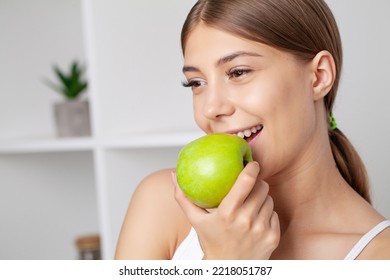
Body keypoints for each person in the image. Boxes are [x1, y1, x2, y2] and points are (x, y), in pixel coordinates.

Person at [115, 0, 390, 260]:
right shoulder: (165, 203)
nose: (211, 108)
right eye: (197, 83)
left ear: (319, 76)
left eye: (238, 72)